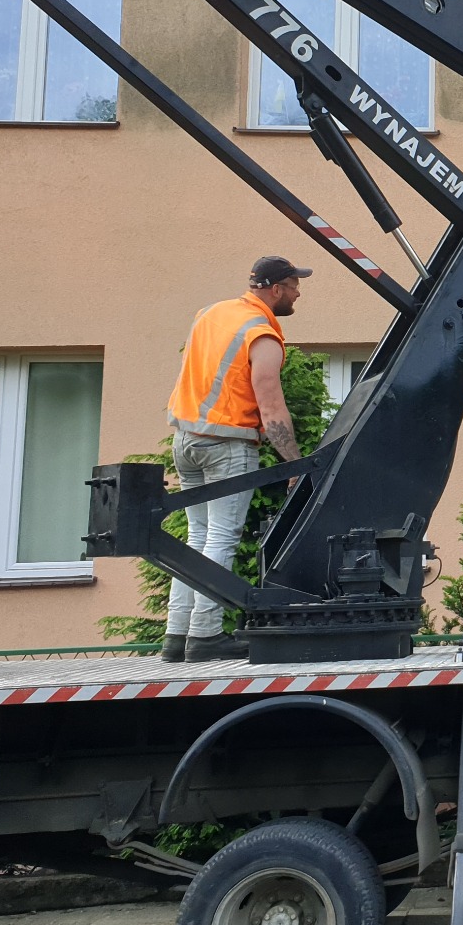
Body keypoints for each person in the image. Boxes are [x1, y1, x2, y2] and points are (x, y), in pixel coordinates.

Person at [160, 255, 310, 662]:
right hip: (227, 444)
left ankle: (177, 635)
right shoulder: (261, 334)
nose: (299, 293)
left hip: (187, 440)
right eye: (295, 285)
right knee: (221, 539)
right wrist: (294, 463)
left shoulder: (211, 313)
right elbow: (271, 403)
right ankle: (205, 637)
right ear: (275, 289)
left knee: (196, 539)